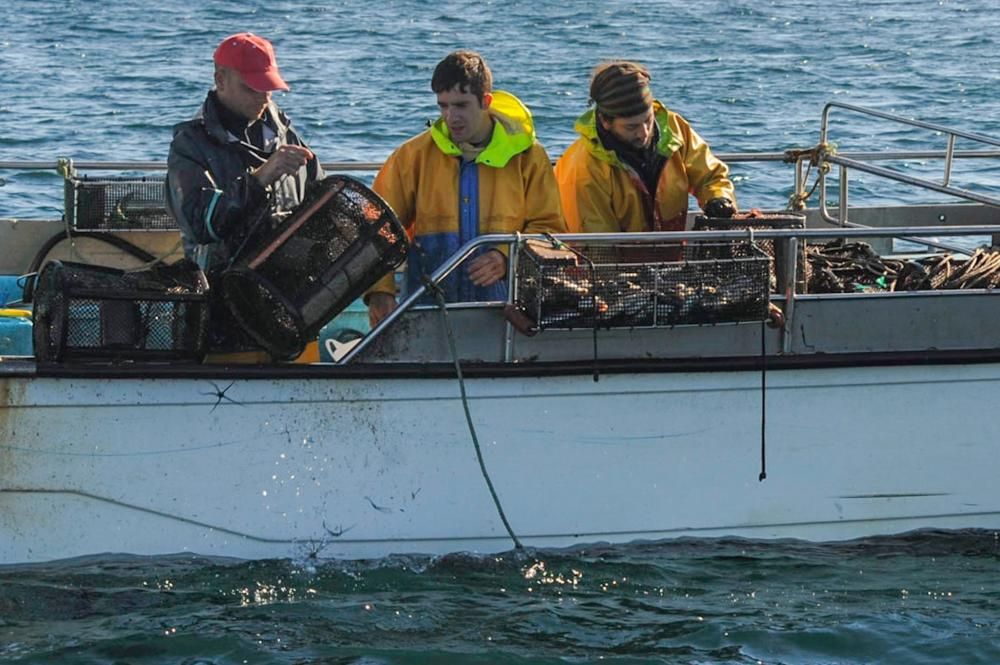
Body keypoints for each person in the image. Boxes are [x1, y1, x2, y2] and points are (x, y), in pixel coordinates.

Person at [366, 50, 566, 327]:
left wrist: (505, 257)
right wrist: (380, 290)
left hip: (505, 314)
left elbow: (551, 230)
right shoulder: (411, 156)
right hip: (429, 312)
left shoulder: (529, 158)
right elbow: (375, 228)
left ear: (486, 101)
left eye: (461, 105)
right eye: (443, 106)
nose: (451, 116)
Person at [166, 32, 323, 355]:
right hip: (221, 314)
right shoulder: (190, 144)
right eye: (251, 88)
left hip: (290, 308)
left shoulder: (286, 133)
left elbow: (321, 198)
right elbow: (200, 223)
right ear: (220, 79)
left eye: (268, 87)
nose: (262, 97)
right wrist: (260, 178)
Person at [554, 61, 736, 234]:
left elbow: (709, 175)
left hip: (669, 254)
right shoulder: (583, 169)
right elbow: (595, 244)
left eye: (648, 120)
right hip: (605, 261)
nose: (644, 132)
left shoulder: (674, 129)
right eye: (631, 127)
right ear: (605, 121)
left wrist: (718, 197)